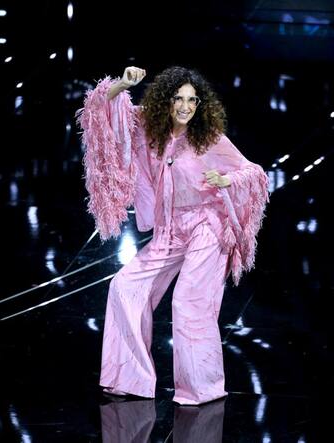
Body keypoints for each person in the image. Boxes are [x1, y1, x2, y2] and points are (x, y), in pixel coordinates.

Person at [76, 66, 269, 406]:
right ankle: (129, 377)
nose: (185, 106)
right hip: (169, 230)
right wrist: (123, 84)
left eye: (192, 100)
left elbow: (253, 172)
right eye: (178, 98)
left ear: (199, 105)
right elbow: (102, 112)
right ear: (165, 100)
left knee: (188, 301)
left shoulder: (209, 138)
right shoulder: (149, 129)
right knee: (125, 286)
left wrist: (228, 182)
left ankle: (202, 388)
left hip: (206, 227)